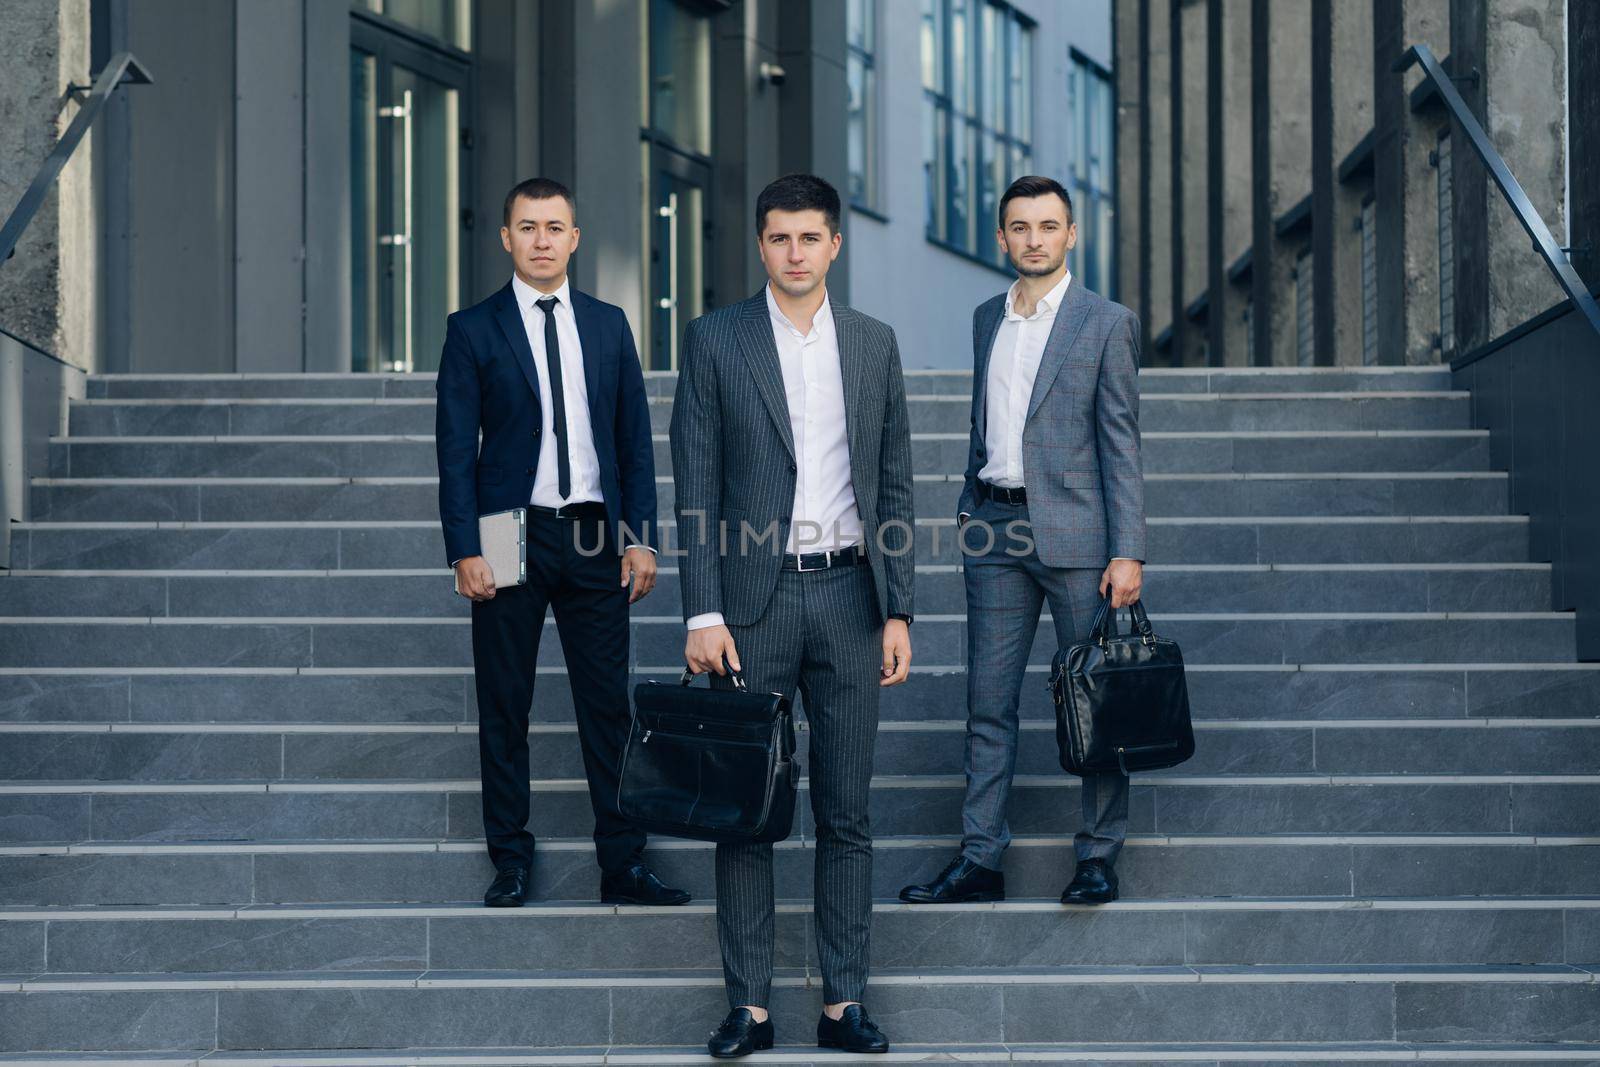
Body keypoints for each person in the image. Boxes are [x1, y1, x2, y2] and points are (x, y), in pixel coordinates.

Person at [670, 174, 914, 1058]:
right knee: (747, 812)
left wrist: (902, 610)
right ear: (761, 245)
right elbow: (695, 484)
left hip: (852, 598)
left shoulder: (874, 344)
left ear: (834, 246)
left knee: (847, 812)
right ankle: (750, 1006)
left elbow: (894, 481)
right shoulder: (715, 340)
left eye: (810, 238)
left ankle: (845, 1002)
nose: (795, 253)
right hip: (750, 604)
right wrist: (702, 609)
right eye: (779, 239)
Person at [435, 177, 689, 910]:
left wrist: (641, 537)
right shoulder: (473, 328)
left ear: (575, 238)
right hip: (507, 531)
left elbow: (635, 443)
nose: (542, 239)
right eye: (528, 226)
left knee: (607, 705)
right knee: (504, 702)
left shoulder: (609, 325)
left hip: (592, 531)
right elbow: (455, 450)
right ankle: (510, 857)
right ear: (505, 239)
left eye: (555, 227)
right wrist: (465, 548)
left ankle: (623, 861)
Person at [898, 174, 1146, 909]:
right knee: (987, 703)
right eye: (1020, 226)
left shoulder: (1106, 323)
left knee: (1095, 703)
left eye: (1048, 225)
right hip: (996, 532)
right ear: (1002, 237)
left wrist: (1128, 548)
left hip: (1079, 538)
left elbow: (1122, 442)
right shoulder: (985, 318)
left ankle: (1098, 854)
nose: (1034, 238)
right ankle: (980, 858)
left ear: (1072, 235)